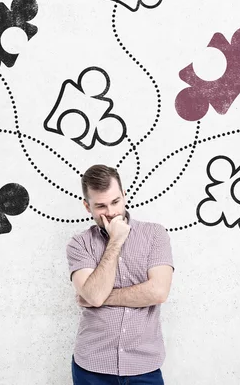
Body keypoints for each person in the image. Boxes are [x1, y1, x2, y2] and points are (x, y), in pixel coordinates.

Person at [66, 164, 174, 384]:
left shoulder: (155, 234)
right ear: (88, 207)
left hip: (144, 367)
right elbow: (95, 296)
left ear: (124, 195)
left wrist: (102, 297)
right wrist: (115, 240)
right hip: (92, 368)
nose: (112, 212)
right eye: (101, 206)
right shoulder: (79, 244)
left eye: (115, 202)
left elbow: (159, 291)